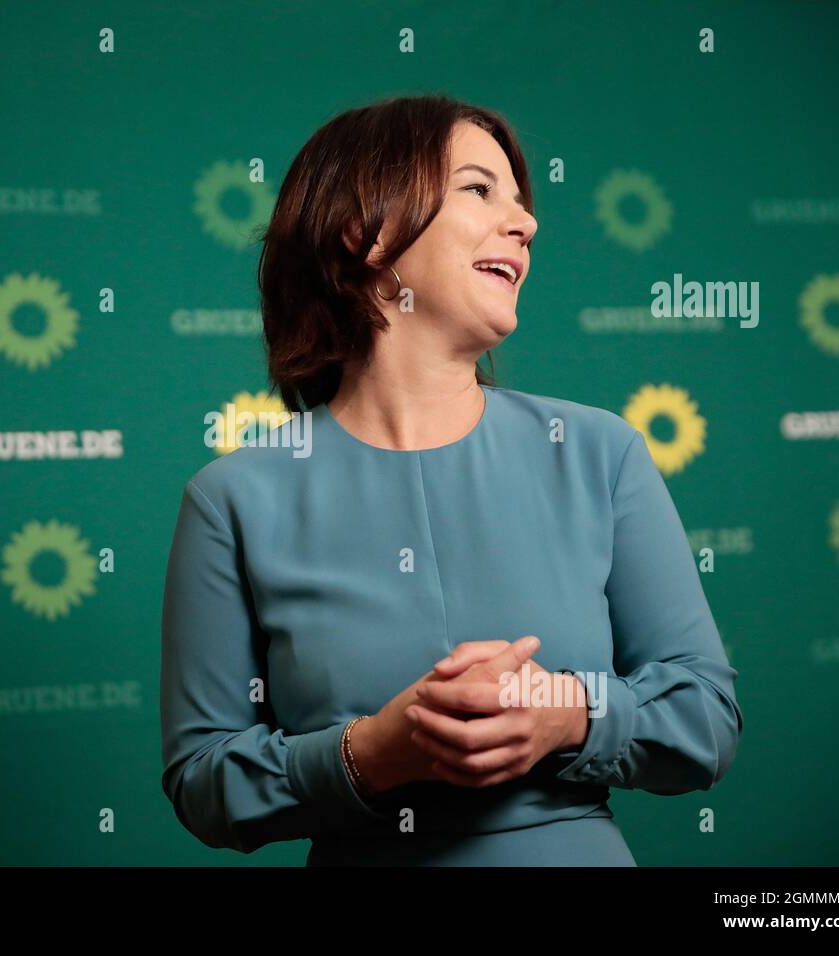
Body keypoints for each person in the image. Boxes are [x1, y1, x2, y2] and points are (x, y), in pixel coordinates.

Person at [159, 93, 743, 866]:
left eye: (520, 199)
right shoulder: (231, 500)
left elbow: (707, 718)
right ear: (364, 230)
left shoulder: (602, 451)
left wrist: (568, 711)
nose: (526, 222)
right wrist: (372, 753)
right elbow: (204, 782)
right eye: (479, 188)